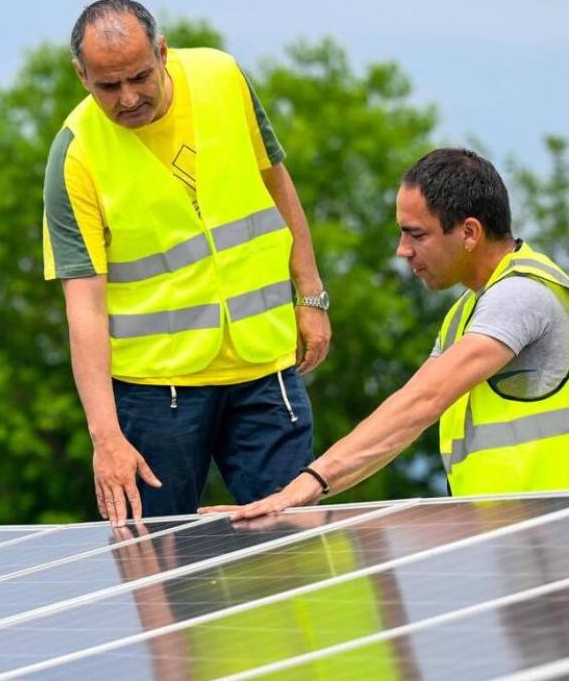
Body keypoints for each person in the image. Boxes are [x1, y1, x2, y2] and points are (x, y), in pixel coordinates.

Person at [42, 0, 331, 526]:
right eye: (108, 86)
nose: (128, 98)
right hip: (156, 393)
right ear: (81, 76)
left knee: (294, 539)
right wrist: (106, 438)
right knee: (157, 556)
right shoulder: (75, 154)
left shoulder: (222, 76)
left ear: (162, 52)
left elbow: (276, 181)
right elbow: (83, 308)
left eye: (139, 77)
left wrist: (310, 295)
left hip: (264, 365)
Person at [217, 147, 569, 521]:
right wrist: (298, 493)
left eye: (416, 235)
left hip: (552, 539)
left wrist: (308, 482)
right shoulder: (464, 313)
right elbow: (398, 429)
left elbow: (421, 402)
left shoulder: (521, 295)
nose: (403, 251)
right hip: (521, 538)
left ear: (469, 232)